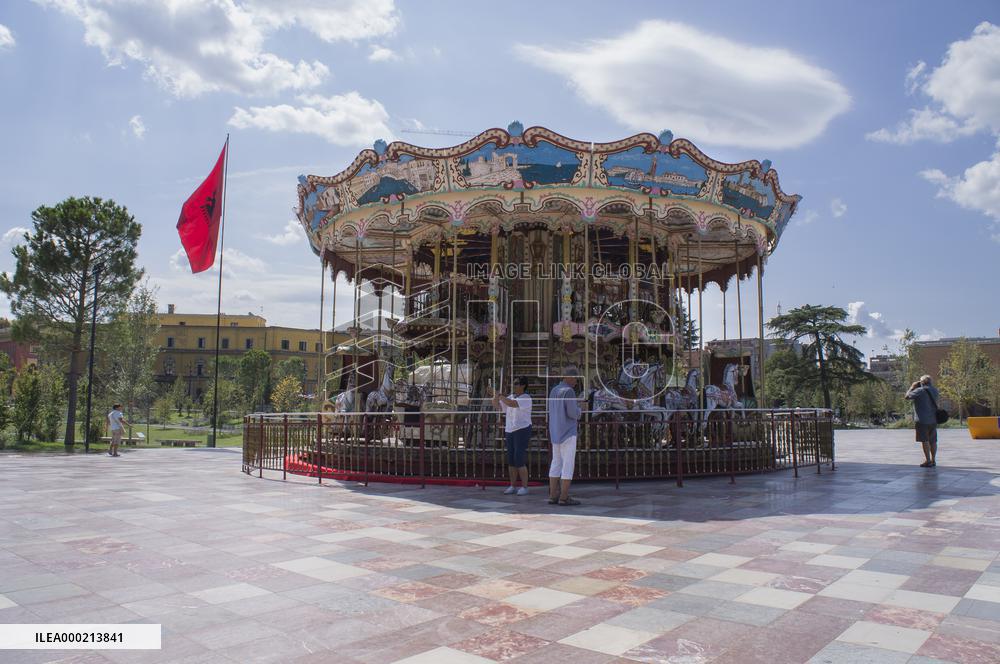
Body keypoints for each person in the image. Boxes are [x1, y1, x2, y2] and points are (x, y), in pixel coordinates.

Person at [548, 366, 583, 506]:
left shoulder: (554, 390)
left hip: (555, 432)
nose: (576, 382)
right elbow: (572, 413)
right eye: (575, 378)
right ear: (569, 377)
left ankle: (552, 495)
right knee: (568, 464)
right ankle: (564, 497)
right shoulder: (569, 391)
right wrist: (580, 410)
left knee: (556, 463)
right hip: (568, 432)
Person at [492, 376, 532, 495]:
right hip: (510, 430)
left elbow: (512, 404)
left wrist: (500, 396)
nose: (514, 386)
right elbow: (497, 406)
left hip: (522, 429)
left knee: (518, 457)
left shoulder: (526, 398)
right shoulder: (510, 396)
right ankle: (512, 485)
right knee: (511, 459)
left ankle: (524, 486)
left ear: (523, 385)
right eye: (513, 383)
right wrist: (495, 395)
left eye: (516, 383)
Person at [905, 375, 940, 467]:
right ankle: (933, 460)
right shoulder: (935, 390)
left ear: (922, 382)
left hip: (922, 419)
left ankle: (928, 460)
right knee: (933, 440)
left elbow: (907, 397)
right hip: (933, 419)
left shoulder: (919, 391)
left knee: (925, 440)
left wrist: (912, 387)